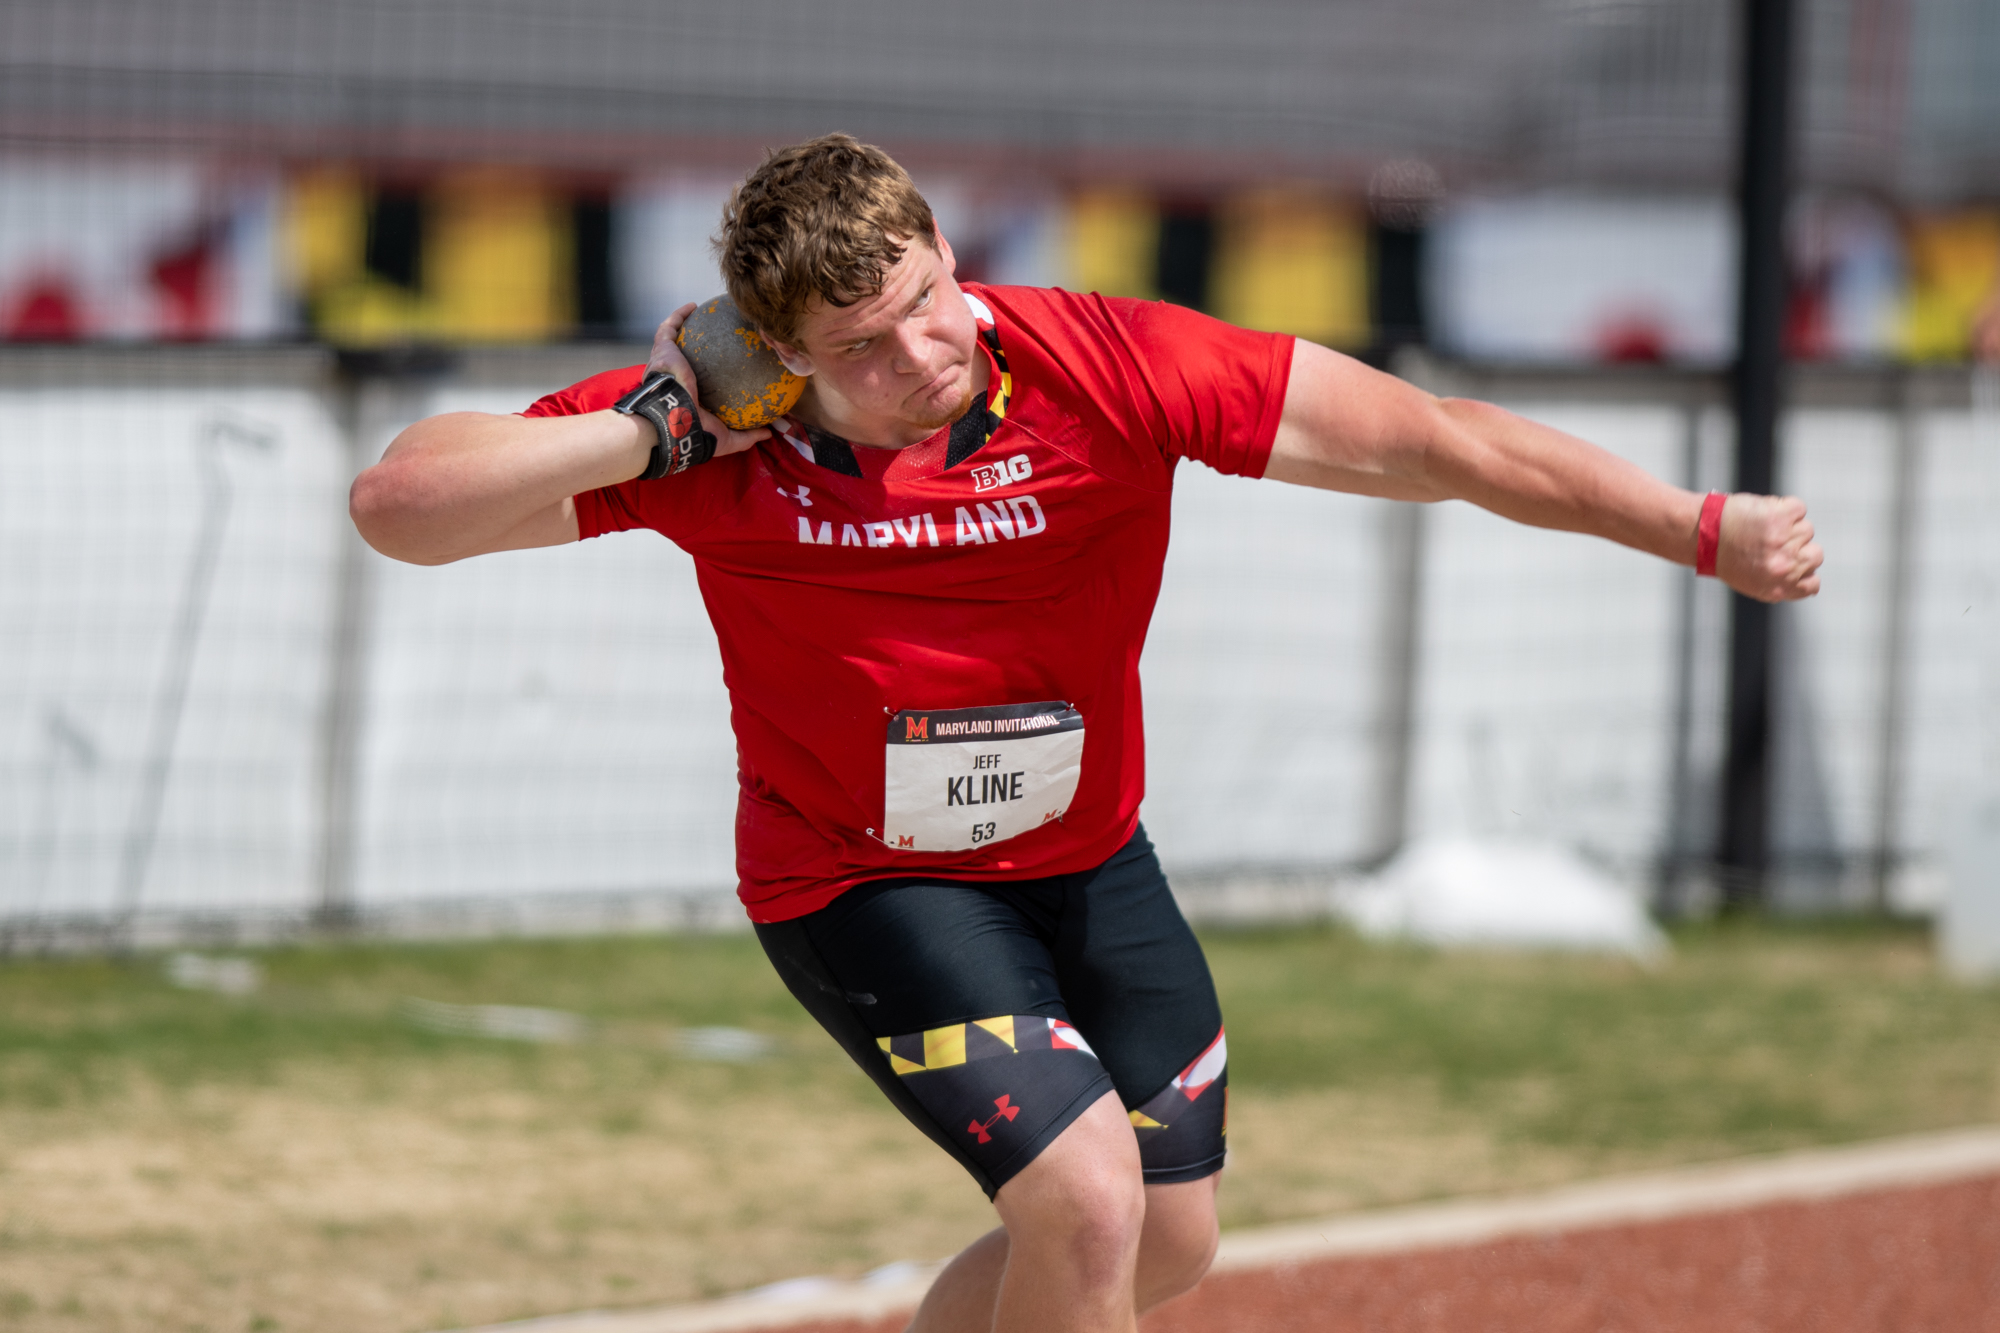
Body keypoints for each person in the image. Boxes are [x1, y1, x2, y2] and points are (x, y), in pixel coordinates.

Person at [349, 134, 1824, 1333]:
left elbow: (1439, 440)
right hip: (865, 878)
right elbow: (401, 508)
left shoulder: (1105, 364)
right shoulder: (725, 440)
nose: (920, 352)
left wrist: (1699, 527)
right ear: (778, 348)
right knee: (1087, 1202)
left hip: (1088, 853)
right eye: (860, 345)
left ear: (946, 250)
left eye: (927, 298)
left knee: (1167, 1237)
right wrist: (655, 426)